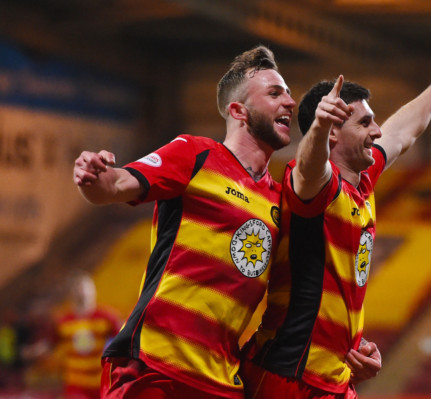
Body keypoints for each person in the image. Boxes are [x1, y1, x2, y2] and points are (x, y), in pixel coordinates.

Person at [73, 45, 379, 399]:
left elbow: (303, 291)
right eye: (275, 93)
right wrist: (95, 176)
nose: (290, 103)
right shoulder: (195, 153)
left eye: (290, 95)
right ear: (239, 111)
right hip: (155, 367)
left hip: (223, 382)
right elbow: (115, 185)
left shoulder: (281, 198)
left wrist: (355, 347)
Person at [241, 35, 431, 398]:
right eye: (365, 124)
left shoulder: (363, 181)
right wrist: (317, 130)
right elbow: (311, 167)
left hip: (336, 379)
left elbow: (404, 131)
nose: (376, 132)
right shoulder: (315, 187)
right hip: (287, 377)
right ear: (333, 133)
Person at [54, 271, 121, 399]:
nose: (83, 293)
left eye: (87, 289)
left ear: (94, 291)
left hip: (100, 381)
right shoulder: (63, 321)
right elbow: (53, 344)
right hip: (75, 384)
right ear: (72, 294)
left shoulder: (107, 317)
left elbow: (124, 341)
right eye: (79, 289)